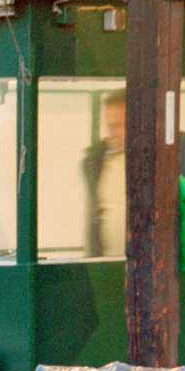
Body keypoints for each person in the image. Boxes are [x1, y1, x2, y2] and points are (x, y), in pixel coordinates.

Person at [82, 90, 126, 257]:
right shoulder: (98, 161)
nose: (113, 133)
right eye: (110, 125)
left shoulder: (162, 162)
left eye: (119, 125)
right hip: (108, 267)